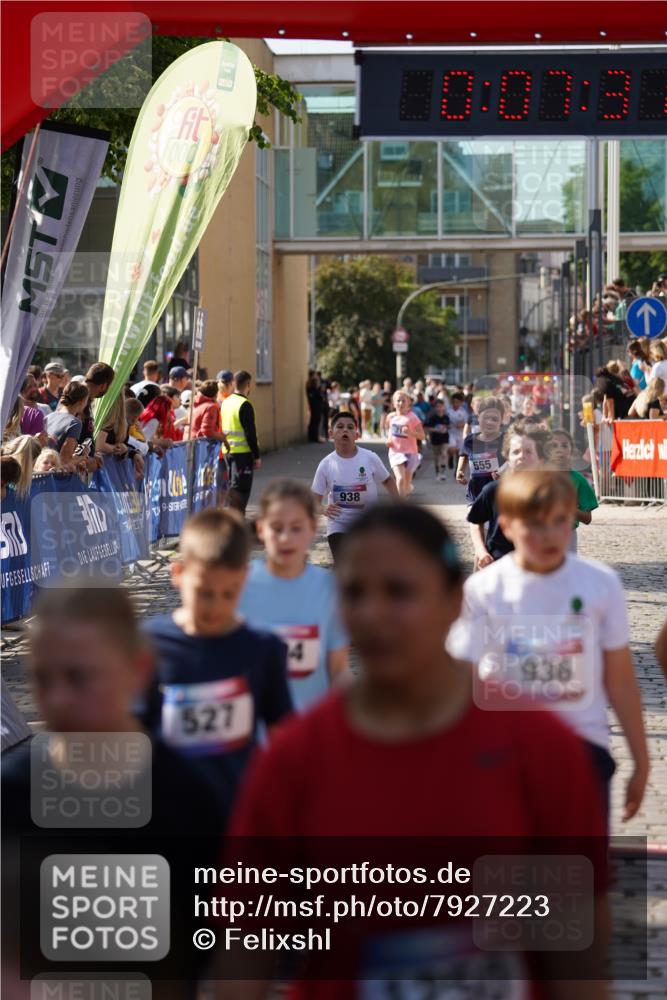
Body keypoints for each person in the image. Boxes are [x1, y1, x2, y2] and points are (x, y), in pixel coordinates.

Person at [223, 505, 610, 998]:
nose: (373, 614)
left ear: (453, 600)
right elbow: (246, 938)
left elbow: (576, 943)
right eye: (355, 593)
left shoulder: (539, 745)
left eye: (400, 592)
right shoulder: (295, 757)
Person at [1, 584, 226, 996]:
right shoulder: (10, 794)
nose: (58, 698)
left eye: (80, 676)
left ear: (137, 670)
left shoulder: (190, 799)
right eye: (41, 678)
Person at [448, 470, 649, 826]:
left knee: (575, 872)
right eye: (535, 523)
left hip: (581, 746)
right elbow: (456, 681)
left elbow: (620, 681)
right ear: (507, 526)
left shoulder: (600, 584)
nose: (549, 534)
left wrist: (641, 760)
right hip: (502, 750)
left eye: (560, 521)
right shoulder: (484, 589)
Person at [142, 508, 292, 811]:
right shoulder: (148, 644)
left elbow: (282, 735)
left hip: (237, 815)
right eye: (204, 592)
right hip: (167, 816)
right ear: (179, 574)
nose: (216, 606)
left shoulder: (262, 648)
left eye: (229, 593)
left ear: (244, 580)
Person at [239, 479, 349, 711]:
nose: (285, 538)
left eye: (296, 528)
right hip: (257, 735)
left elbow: (339, 669)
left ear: (313, 528)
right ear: (261, 529)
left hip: (312, 728)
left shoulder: (330, 590)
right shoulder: (239, 587)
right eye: (276, 528)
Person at [311, 409, 397, 563]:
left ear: (356, 435)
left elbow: (388, 481)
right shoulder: (325, 465)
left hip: (367, 522)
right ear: (331, 433)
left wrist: (399, 506)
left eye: (350, 427)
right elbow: (313, 502)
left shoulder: (369, 457)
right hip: (338, 524)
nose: (345, 430)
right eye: (340, 426)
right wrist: (323, 509)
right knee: (344, 565)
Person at [467, 423, 546, 568]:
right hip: (499, 563)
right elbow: (475, 520)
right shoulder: (492, 490)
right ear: (507, 458)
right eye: (516, 452)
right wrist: (481, 551)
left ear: (540, 458)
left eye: (528, 451)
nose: (522, 456)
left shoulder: (549, 493)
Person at [545, 429, 599, 553]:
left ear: (572, 451)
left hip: (567, 535)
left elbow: (587, 518)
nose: (559, 450)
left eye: (564, 446)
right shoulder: (537, 478)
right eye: (553, 446)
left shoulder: (579, 480)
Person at [220, 370, 261, 516]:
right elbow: (250, 433)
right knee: (242, 490)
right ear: (248, 385)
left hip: (227, 452)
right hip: (242, 454)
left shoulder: (226, 402)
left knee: (233, 488)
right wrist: (256, 456)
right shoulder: (244, 404)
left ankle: (233, 521)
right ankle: (236, 523)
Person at [456, 395, 504, 505]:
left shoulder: (506, 440)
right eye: (486, 418)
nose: (489, 422)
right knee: (476, 521)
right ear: (478, 418)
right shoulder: (469, 440)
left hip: (500, 492)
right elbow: (463, 455)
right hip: (476, 491)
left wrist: (504, 471)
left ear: (501, 421)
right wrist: (460, 471)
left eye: (495, 419)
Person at [386, 390, 425, 497]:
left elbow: (422, 436)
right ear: (393, 403)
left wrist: (410, 432)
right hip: (396, 452)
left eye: (404, 401)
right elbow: (391, 430)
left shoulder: (413, 417)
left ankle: (407, 489)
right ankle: (400, 507)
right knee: (400, 479)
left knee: (406, 485)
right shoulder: (391, 417)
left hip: (411, 452)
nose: (401, 403)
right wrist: (389, 439)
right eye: (398, 401)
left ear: (409, 404)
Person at [45, 381, 89, 467]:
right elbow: (64, 461)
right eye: (87, 400)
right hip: (53, 475)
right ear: (82, 401)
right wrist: (83, 456)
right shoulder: (75, 423)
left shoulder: (48, 416)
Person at [423, 396, 450, 480]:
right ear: (435, 408)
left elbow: (448, 425)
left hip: (444, 438)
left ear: (444, 407)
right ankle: (437, 472)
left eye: (441, 406)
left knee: (444, 453)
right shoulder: (433, 417)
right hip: (435, 438)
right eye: (437, 406)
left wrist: (446, 428)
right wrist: (435, 429)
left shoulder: (446, 417)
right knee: (436, 456)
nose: (439, 408)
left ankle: (443, 472)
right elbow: (426, 427)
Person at [445, 390, 468, 469]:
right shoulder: (448, 411)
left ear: (461, 403)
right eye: (454, 402)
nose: (455, 404)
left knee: (459, 453)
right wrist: (448, 425)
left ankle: (457, 469)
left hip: (460, 433)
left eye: (457, 402)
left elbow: (466, 422)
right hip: (451, 433)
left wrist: (461, 425)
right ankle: (450, 457)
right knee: (452, 449)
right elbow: (444, 421)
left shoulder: (463, 411)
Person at [306, 371, 323, 443]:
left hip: (313, 404)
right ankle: (314, 437)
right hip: (316, 404)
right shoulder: (313, 383)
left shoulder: (308, 384)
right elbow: (318, 395)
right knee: (316, 420)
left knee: (313, 420)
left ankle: (312, 437)